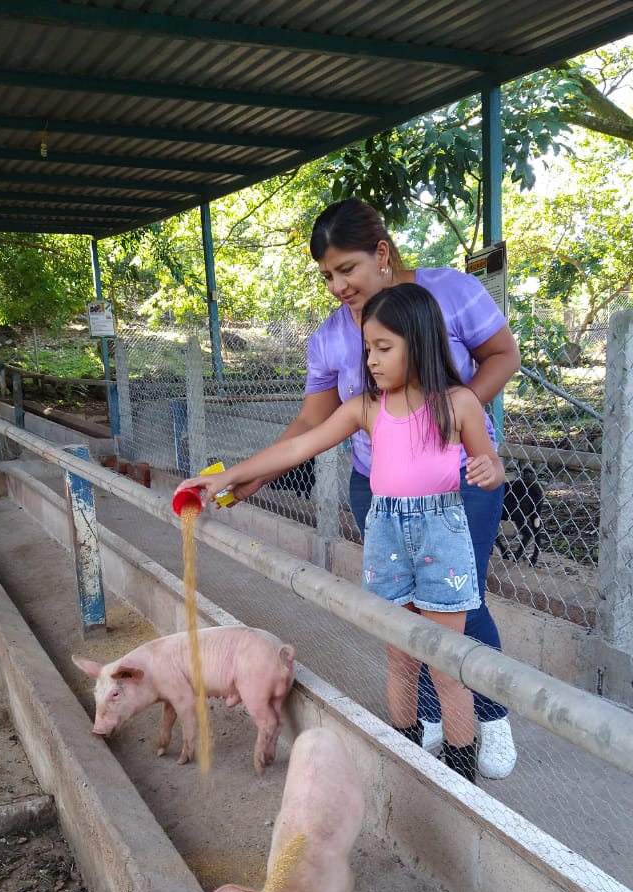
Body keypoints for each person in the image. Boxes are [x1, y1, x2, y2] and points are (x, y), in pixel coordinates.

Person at [232, 199, 520, 778]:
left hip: (456, 477)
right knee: (405, 609)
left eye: (347, 269)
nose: (338, 285)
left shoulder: (451, 294)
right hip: (380, 490)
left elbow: (502, 355)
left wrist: (444, 417)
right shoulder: (334, 341)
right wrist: (243, 476)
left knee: (461, 603)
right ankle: (431, 720)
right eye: (327, 276)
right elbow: (308, 430)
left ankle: (489, 718)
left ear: (381, 253)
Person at [175, 283, 504, 783]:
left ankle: (461, 777)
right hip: (387, 535)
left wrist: (487, 471)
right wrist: (230, 476)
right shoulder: (365, 409)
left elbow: (490, 462)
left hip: (442, 534)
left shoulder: (458, 404)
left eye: (383, 348)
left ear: (420, 342)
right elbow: (298, 448)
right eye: (368, 348)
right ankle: (409, 760)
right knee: (400, 659)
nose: (370, 360)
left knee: (446, 664)